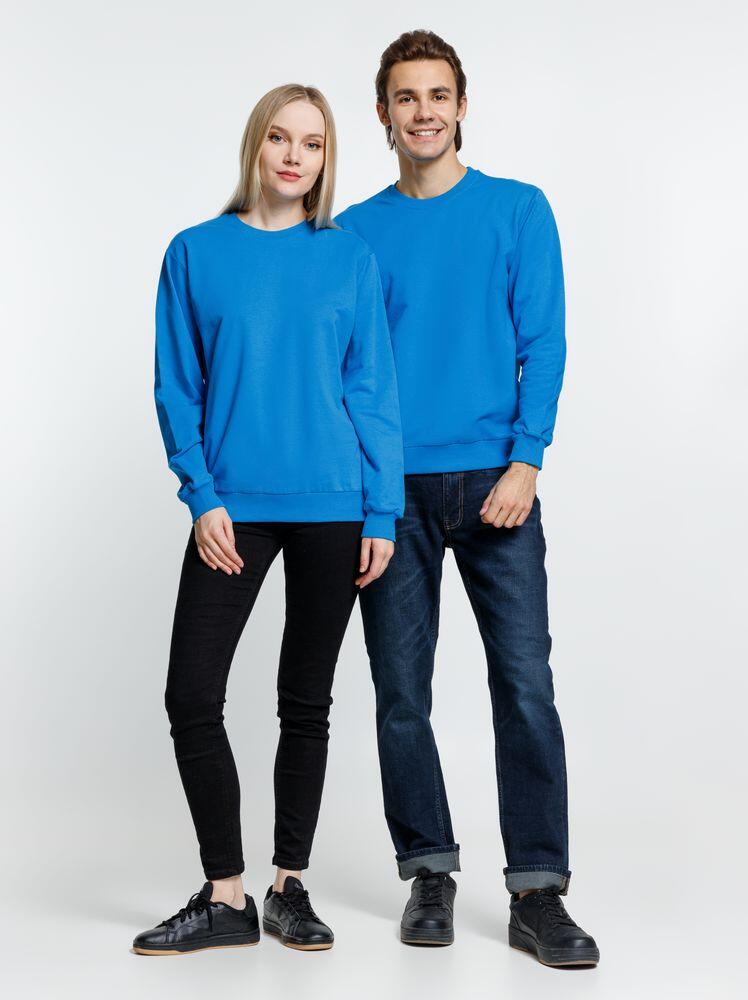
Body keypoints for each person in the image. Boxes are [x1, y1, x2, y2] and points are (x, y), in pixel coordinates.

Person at [335, 30, 599, 967]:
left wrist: (526, 461)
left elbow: (545, 341)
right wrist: (366, 493)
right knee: (400, 693)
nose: (424, 112)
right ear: (383, 113)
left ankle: (538, 892)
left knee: (524, 685)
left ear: (461, 105)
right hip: (392, 492)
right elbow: (347, 369)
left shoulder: (517, 209)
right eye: (406, 97)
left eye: (438, 95)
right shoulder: (354, 232)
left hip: (496, 483)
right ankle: (429, 872)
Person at [133, 83, 404, 956]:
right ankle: (226, 895)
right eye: (281, 138)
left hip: (334, 503)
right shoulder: (195, 252)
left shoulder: (349, 257)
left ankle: (290, 886)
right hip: (233, 507)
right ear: (256, 144)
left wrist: (382, 509)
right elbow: (177, 384)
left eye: (313, 144)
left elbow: (372, 388)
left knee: (305, 701)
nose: (295, 156)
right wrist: (202, 494)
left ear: (327, 158)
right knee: (191, 694)